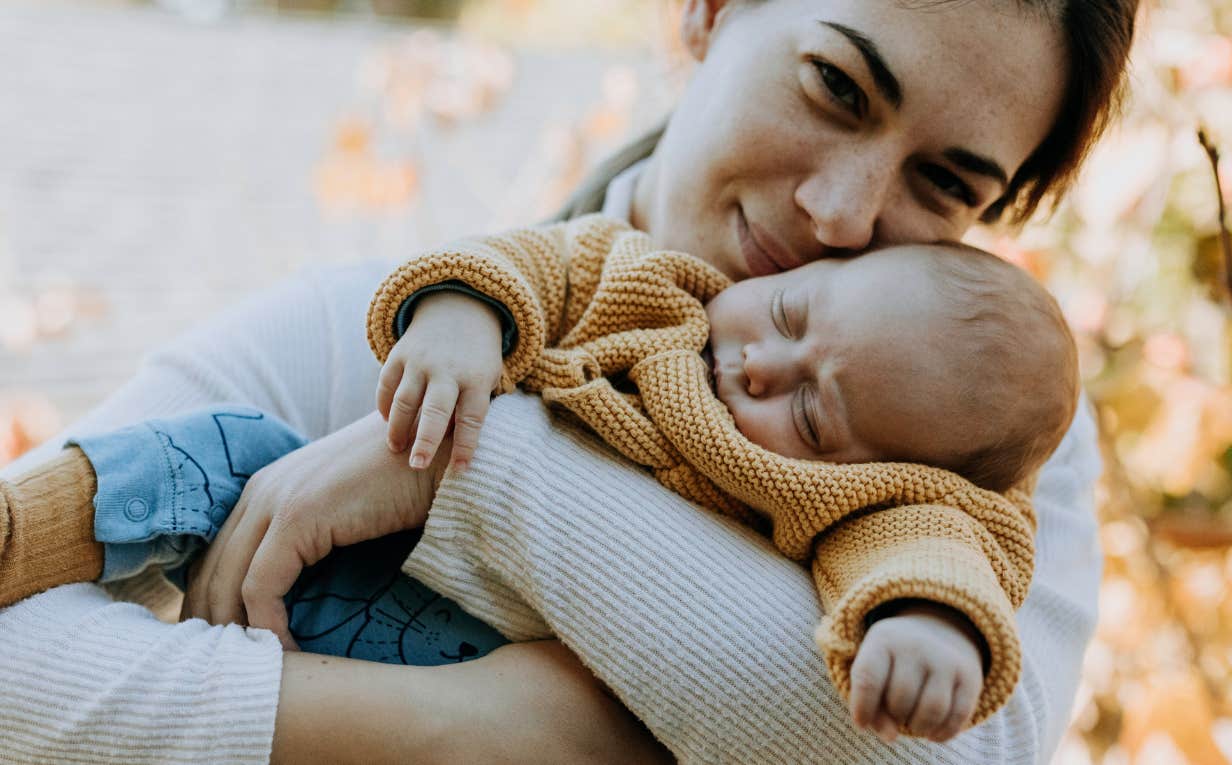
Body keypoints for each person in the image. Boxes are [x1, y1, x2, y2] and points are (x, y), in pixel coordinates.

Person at [0, 0, 1137, 762]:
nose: (840, 213)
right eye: (837, 86)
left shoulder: (975, 418)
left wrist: (470, 471)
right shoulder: (402, 320)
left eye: (943, 183)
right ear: (707, 11)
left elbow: (938, 752)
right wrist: (486, 730)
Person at [0, 217, 1077, 742]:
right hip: (362, 572)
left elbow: (925, 550)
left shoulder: (856, 506)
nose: (758, 363)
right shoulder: (654, 289)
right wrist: (466, 326)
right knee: (229, 448)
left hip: (451, 644)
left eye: (808, 410)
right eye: (792, 317)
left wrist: (929, 627)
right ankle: (24, 527)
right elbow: (536, 269)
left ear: (875, 469)